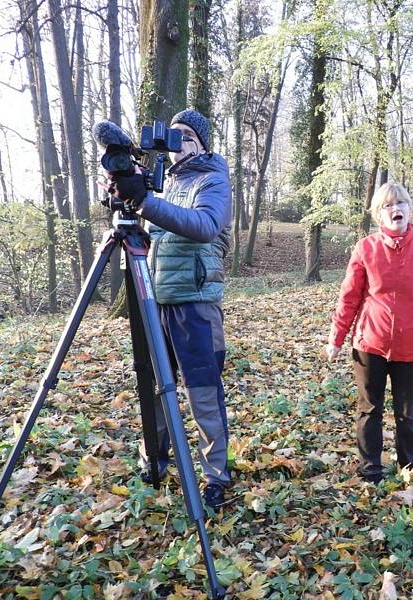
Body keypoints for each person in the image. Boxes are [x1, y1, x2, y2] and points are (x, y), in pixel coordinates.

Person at [108, 108, 233, 510]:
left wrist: (145, 201)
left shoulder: (213, 179)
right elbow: (152, 233)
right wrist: (126, 195)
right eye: (172, 136)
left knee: (203, 393)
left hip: (195, 305)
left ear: (201, 143)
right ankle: (155, 460)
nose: (176, 146)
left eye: (185, 138)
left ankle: (215, 476)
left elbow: (203, 226)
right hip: (155, 298)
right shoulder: (163, 184)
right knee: (154, 385)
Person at [326, 182, 413, 484]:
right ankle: (371, 470)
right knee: (370, 409)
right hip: (370, 345)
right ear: (378, 215)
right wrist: (336, 337)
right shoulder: (365, 248)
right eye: (387, 206)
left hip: (412, 347)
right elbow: (350, 297)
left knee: (408, 413)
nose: (395, 210)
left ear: (411, 210)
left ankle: (408, 468)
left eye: (401, 204)